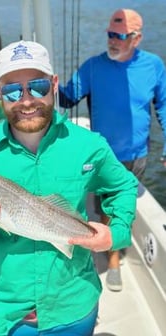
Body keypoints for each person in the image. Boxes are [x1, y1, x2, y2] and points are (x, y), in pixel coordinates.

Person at [0, 40, 138, 336]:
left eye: (37, 87)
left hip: (74, 307)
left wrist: (114, 233)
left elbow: (124, 185)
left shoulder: (89, 145)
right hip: (8, 314)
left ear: (53, 83)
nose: (26, 101)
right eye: (13, 90)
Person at [59, 8, 166, 292]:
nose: (113, 40)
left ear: (137, 38)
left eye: (120, 36)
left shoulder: (154, 66)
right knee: (107, 207)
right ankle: (115, 260)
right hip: (104, 158)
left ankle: (115, 244)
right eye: (110, 34)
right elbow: (67, 99)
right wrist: (46, 83)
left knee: (125, 204)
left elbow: (164, 107)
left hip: (138, 155)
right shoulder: (93, 67)